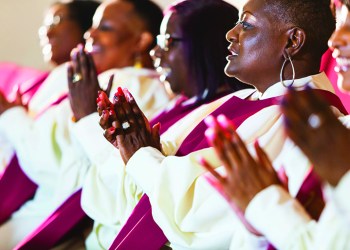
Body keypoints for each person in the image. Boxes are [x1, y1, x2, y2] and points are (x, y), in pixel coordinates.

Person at [100, 0, 343, 249]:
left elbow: (210, 213)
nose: (231, 33)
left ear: (292, 42)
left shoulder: (311, 122)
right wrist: (134, 147)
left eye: (246, 24)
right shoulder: (240, 99)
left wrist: (142, 157)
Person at [2, 0, 170, 249]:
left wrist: (12, 115)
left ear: (141, 41)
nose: (90, 34)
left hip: (52, 216)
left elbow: (50, 165)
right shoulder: (98, 79)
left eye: (105, 27)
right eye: (92, 26)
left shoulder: (130, 88)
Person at [81, 0, 249, 248]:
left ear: (205, 45)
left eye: (167, 42)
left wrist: (138, 155)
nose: (155, 53)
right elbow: (106, 200)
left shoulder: (228, 115)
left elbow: (173, 205)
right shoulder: (179, 105)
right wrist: (125, 147)